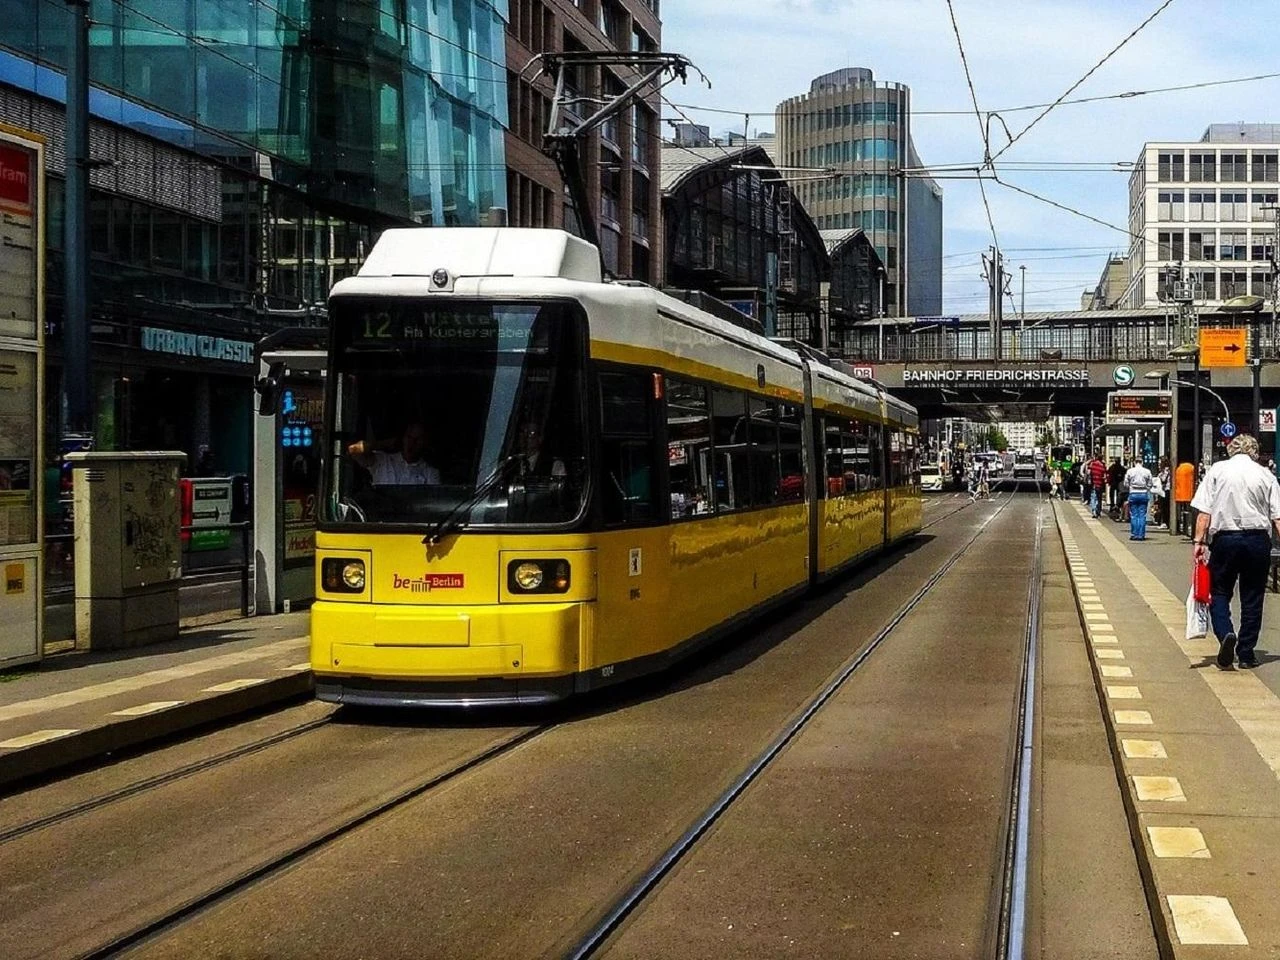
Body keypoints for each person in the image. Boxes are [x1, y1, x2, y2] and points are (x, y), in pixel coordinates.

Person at [1191, 433, 1280, 670]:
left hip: (1225, 539)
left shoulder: (1217, 471)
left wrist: (1199, 542)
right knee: (1253, 597)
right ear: (1255, 452)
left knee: (1218, 591)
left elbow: (1204, 513)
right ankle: (1247, 653)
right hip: (1257, 540)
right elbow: (1277, 517)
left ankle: (1226, 633)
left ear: (1231, 450)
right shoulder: (1266, 475)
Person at [347, 422, 441, 486]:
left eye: (417, 439)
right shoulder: (382, 461)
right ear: (403, 438)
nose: (412, 443)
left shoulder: (430, 473)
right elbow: (353, 450)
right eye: (409, 437)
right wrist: (383, 444)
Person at [1123, 456, 1154, 540]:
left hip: (1133, 493)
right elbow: (1150, 483)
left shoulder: (1130, 471)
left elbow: (1125, 483)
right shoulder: (1147, 471)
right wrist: (1146, 487)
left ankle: (1134, 534)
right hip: (1143, 493)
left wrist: (1130, 486)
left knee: (1134, 515)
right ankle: (1141, 535)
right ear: (1142, 462)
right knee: (1142, 515)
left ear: (1134, 462)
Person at [1087, 453, 1107, 518]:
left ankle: (1094, 511)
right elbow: (1104, 476)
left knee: (1093, 497)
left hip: (1093, 484)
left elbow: (1088, 472)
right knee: (1099, 498)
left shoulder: (1092, 464)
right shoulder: (1103, 466)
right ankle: (1098, 512)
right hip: (1100, 484)